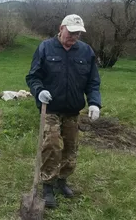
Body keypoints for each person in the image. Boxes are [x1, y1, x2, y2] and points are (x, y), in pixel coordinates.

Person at [26, 14, 101, 208]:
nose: (74, 37)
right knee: (51, 145)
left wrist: (94, 103)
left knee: (70, 147)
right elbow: (33, 76)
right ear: (61, 28)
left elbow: (93, 81)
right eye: (71, 32)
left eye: (78, 34)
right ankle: (48, 186)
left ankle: (62, 181)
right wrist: (39, 91)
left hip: (72, 110)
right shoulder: (45, 48)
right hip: (49, 108)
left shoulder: (86, 52)